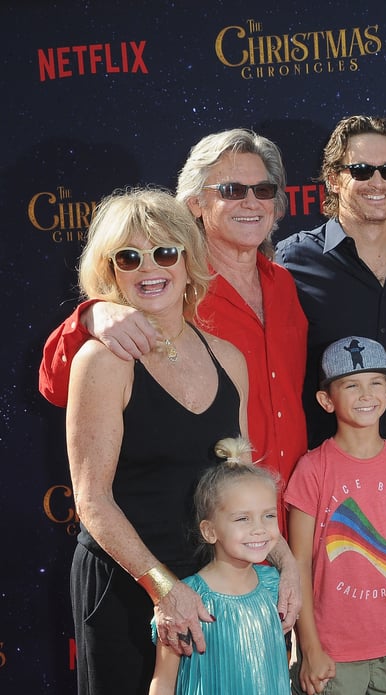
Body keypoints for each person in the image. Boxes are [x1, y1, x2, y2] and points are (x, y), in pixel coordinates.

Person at [39, 128, 309, 539]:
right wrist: (91, 317)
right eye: (233, 190)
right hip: (212, 533)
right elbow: (57, 386)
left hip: (290, 517)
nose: (252, 202)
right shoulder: (166, 282)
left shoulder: (286, 285)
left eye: (264, 189)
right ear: (195, 203)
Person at [66, 188, 249, 695]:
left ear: (189, 260)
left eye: (165, 252)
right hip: (128, 586)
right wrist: (163, 588)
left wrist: (282, 565)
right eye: (130, 257)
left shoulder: (230, 359)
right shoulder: (101, 362)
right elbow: (92, 501)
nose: (150, 268)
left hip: (210, 587)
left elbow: (241, 489)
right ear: (112, 273)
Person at [276, 115, 386, 444]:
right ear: (334, 179)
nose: (377, 182)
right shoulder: (292, 261)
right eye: (362, 170)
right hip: (328, 468)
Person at [286, 336, 386, 694]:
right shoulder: (312, 469)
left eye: (375, 384)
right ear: (326, 399)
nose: (366, 395)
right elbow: (299, 564)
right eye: (351, 385)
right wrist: (309, 647)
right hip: (333, 652)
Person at [149, 437, 290, 695]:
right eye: (242, 518)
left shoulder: (274, 585)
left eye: (268, 515)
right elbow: (164, 682)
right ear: (210, 531)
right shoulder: (186, 601)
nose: (259, 529)